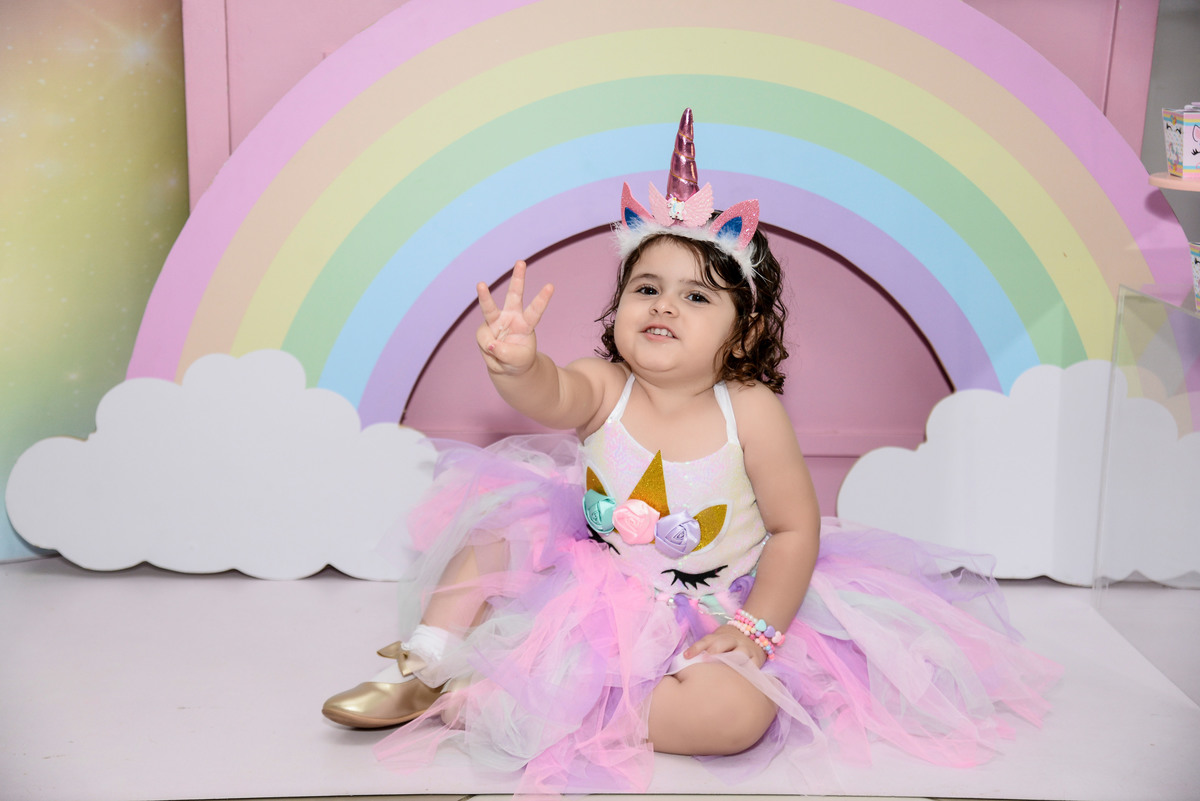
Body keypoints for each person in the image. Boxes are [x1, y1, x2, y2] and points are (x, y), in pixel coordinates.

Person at [322, 109, 1060, 796]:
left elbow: (794, 529)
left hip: (717, 604)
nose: (665, 305)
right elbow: (551, 393)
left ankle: (519, 702)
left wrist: (755, 632)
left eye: (697, 296)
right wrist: (517, 366)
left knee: (735, 717)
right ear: (619, 311)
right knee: (494, 537)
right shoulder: (604, 387)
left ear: (742, 334)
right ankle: (428, 663)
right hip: (596, 585)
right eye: (647, 288)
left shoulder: (751, 410)